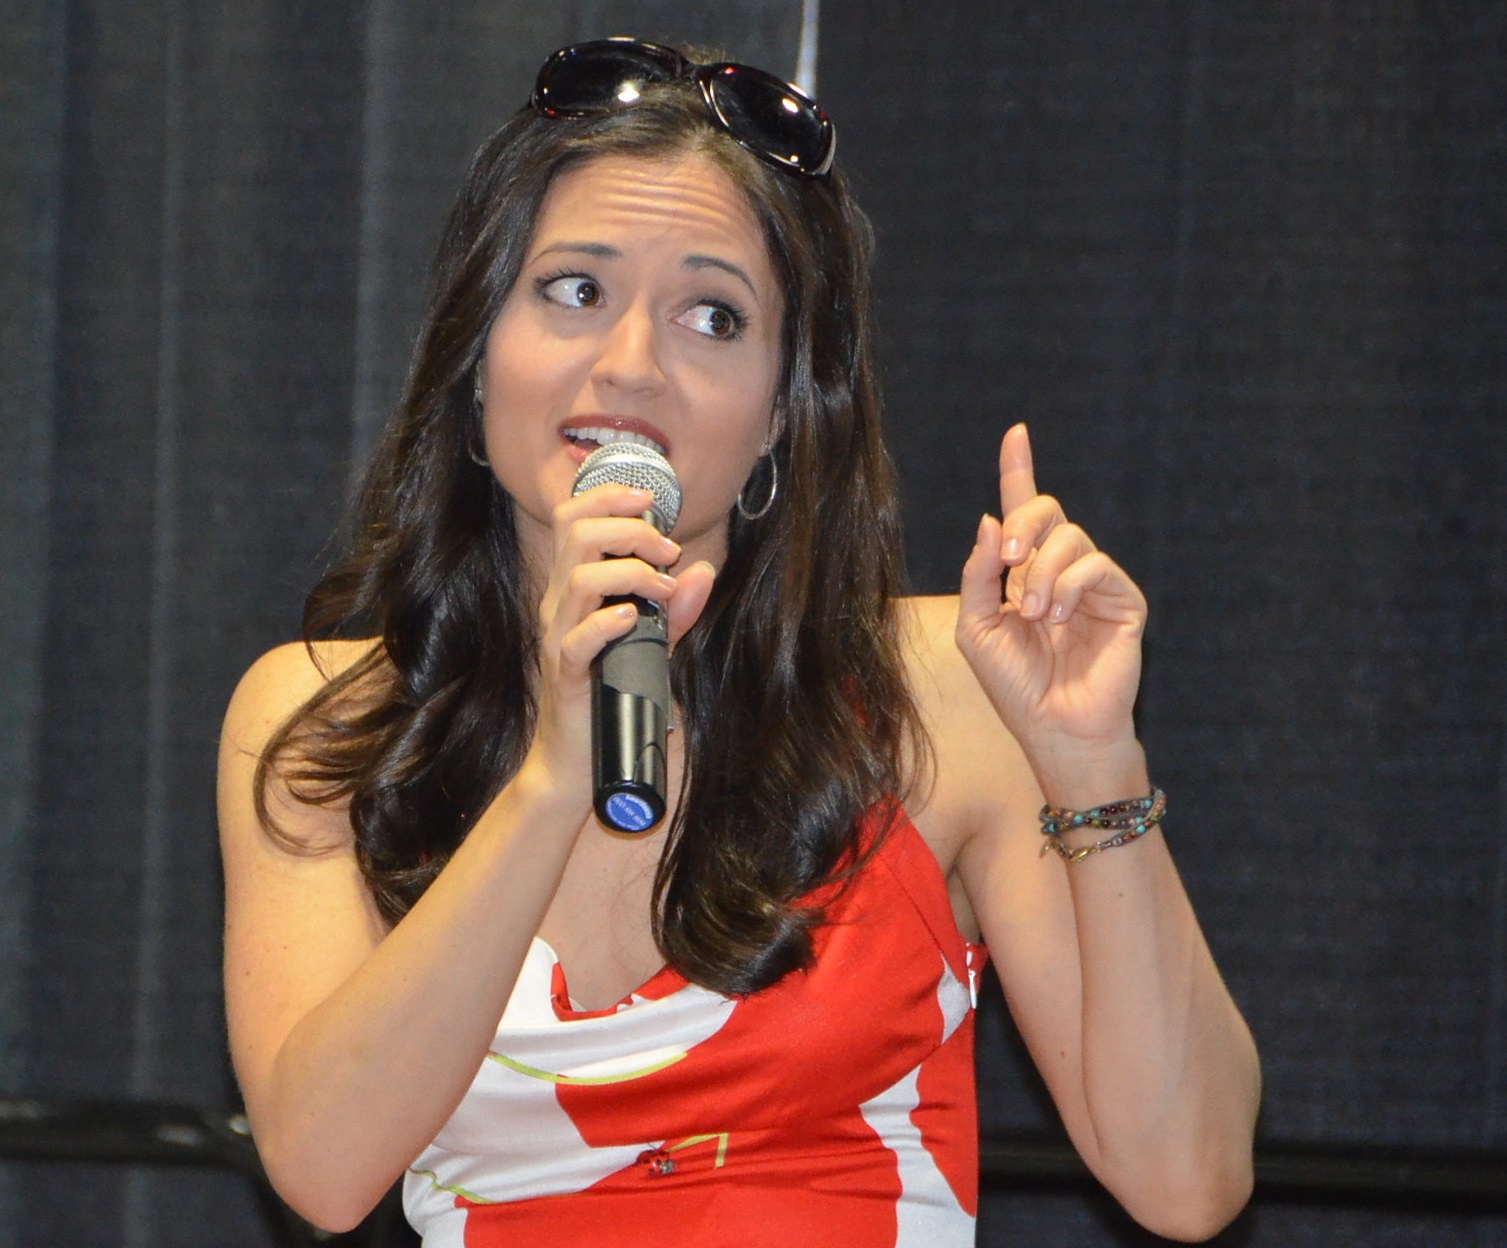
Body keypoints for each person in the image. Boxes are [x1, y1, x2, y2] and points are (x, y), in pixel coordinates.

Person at [218, 38, 1260, 1246]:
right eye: (572, 290)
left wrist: (1092, 765)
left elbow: (1188, 1182)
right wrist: (557, 774)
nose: (629, 366)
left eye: (711, 315)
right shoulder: (328, 721)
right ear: (474, 357)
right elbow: (322, 1167)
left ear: (779, 414)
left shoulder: (942, 694)